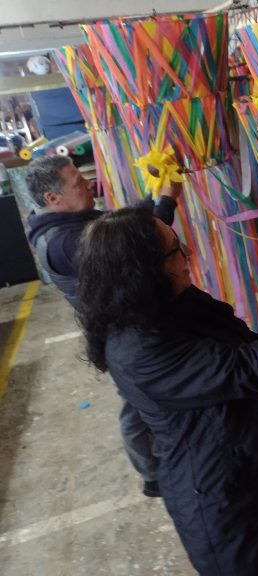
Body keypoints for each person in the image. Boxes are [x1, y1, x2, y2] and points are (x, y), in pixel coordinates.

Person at [76, 206, 258, 575]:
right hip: (224, 507)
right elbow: (257, 365)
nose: (188, 253)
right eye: (176, 248)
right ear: (144, 271)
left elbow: (245, 349)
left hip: (253, 476)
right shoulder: (139, 351)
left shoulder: (170, 302)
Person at [25, 155, 180, 498]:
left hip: (124, 325)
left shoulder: (67, 219)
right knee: (139, 403)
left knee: (141, 399)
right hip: (120, 334)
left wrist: (153, 197)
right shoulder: (63, 243)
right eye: (77, 183)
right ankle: (153, 474)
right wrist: (166, 202)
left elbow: (117, 223)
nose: (88, 184)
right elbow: (136, 246)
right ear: (52, 198)